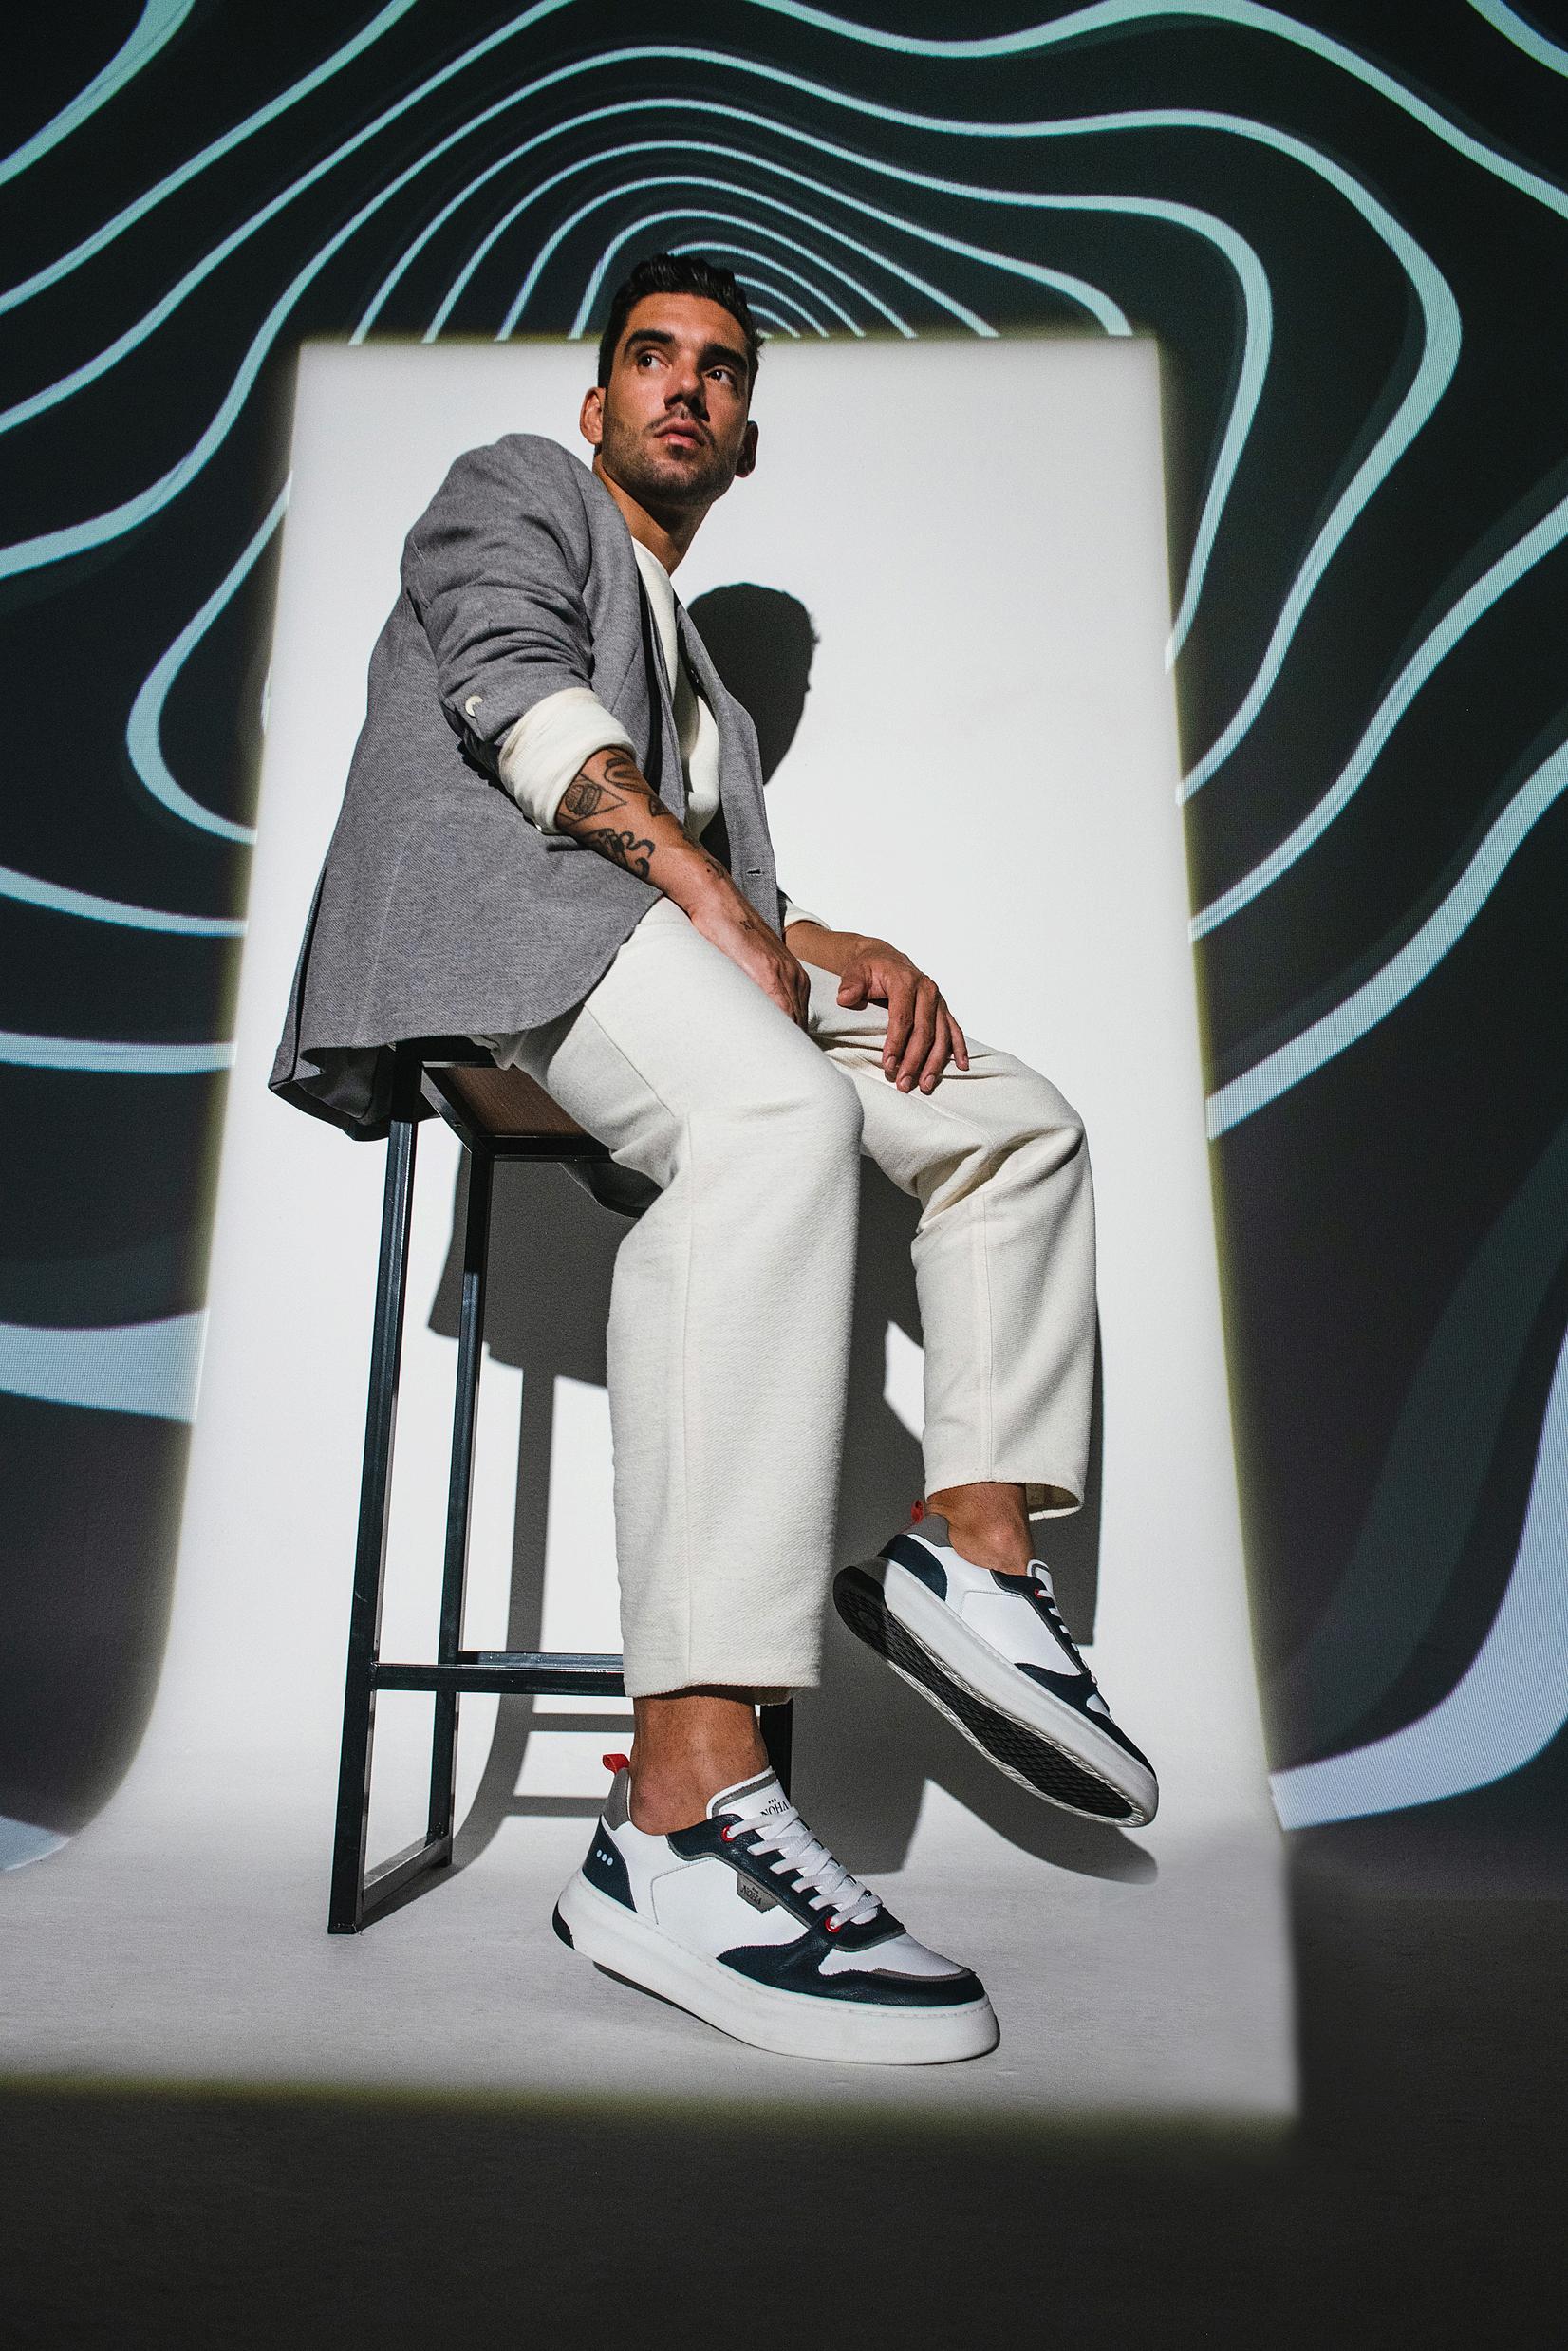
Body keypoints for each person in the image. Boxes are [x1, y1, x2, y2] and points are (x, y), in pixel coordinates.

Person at [273, 253, 1156, 2067]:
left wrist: (819, 938)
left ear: (746, 436)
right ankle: (681, 1812)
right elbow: (517, 699)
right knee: (777, 1117)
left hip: (646, 942)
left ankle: (970, 1552)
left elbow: (723, 904)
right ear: (599, 399)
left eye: (723, 370)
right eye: (653, 357)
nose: (686, 385)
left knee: (1014, 1121)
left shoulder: (718, 713)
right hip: (498, 942)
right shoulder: (516, 488)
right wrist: (711, 893)